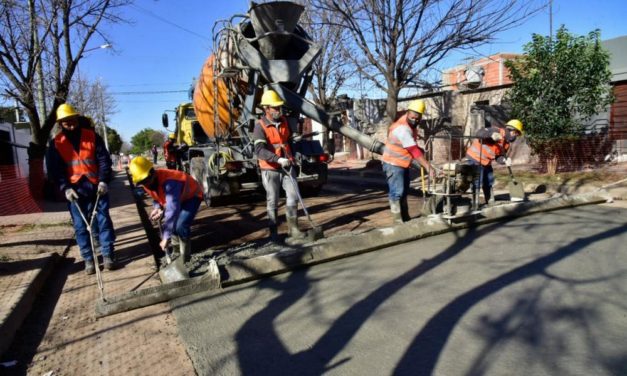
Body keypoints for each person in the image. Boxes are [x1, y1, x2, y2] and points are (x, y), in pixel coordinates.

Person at [46, 103, 117, 274]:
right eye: (65, 121)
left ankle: (107, 255)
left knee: (103, 222)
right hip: (75, 192)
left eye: (71, 119)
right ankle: (88, 259)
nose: (69, 123)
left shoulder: (91, 136)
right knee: (80, 226)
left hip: (96, 188)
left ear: (77, 118)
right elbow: (55, 170)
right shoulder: (56, 143)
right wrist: (65, 188)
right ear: (60, 123)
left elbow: (103, 160)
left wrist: (103, 181)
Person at [253, 89, 306, 243]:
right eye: (275, 108)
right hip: (270, 168)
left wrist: (292, 154)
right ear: (266, 108)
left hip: (287, 166)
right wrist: (277, 159)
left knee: (293, 196)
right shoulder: (260, 126)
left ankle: (294, 229)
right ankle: (273, 233)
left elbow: (287, 141)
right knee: (273, 200)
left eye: (279, 107)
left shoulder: (284, 122)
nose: (278, 110)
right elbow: (259, 150)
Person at [129, 156, 203, 262]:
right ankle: (176, 252)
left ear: (152, 173)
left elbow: (172, 210)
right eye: (141, 182)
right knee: (171, 224)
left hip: (192, 195)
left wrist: (165, 237)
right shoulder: (148, 182)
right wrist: (157, 207)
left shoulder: (170, 182)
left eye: (145, 180)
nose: (145, 184)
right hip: (179, 198)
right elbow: (157, 195)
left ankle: (185, 258)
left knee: (180, 225)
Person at [381, 99, 438, 224]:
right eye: (413, 117)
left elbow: (410, 146)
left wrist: (419, 149)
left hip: (402, 163)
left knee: (404, 191)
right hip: (392, 164)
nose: (415, 120)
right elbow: (413, 150)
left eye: (418, 118)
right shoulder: (402, 128)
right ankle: (397, 222)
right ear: (408, 113)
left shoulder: (410, 125)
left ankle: (405, 218)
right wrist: (428, 167)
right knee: (397, 192)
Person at [465, 119, 524, 205]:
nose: (515, 136)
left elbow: (498, 157)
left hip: (486, 162)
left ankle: (490, 200)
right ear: (510, 129)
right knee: (477, 181)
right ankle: (475, 202)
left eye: (517, 134)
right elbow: (479, 133)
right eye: (515, 133)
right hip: (475, 158)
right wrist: (491, 135)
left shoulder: (506, 144)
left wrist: (504, 160)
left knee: (489, 180)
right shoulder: (496, 130)